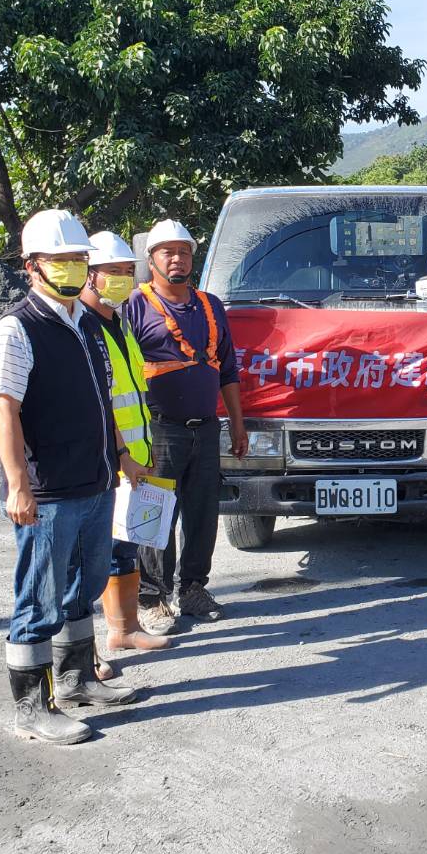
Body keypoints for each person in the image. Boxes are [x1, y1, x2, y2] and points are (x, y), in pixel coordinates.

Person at [0, 209, 149, 744]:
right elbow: (5, 410)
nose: (74, 268)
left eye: (80, 259)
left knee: (87, 583)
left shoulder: (88, 325)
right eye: (63, 260)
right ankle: (33, 706)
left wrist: (121, 455)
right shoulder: (16, 329)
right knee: (40, 597)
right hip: (49, 491)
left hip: (96, 481)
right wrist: (17, 484)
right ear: (32, 266)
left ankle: (79, 679)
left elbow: (104, 401)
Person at [122, 219, 249, 629]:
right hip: (160, 430)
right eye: (168, 252)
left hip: (206, 427)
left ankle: (193, 588)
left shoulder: (210, 305)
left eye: (185, 251)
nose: (178, 259)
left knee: (202, 512)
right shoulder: (133, 306)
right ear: (151, 258)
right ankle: (153, 597)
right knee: (155, 514)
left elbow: (227, 369)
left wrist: (238, 426)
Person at [80, 230, 172, 672]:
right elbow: (98, 402)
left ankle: (124, 628)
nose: (120, 279)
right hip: (108, 460)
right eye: (112, 272)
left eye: (125, 272)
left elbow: (133, 392)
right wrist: (123, 456)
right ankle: (84, 652)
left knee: (125, 547)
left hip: (134, 455)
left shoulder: (120, 323)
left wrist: (144, 450)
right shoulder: (83, 326)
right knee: (93, 555)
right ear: (89, 274)